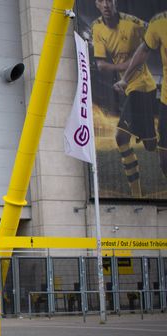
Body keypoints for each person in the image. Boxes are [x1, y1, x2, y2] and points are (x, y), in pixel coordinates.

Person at [91, 0, 158, 197]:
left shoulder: (133, 23)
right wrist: (127, 66)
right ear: (96, 4)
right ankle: (137, 194)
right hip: (129, 89)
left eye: (109, 0)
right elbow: (101, 65)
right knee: (150, 145)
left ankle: (136, 195)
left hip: (143, 87)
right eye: (101, 1)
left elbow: (154, 33)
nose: (106, 4)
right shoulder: (97, 28)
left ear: (116, 3)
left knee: (121, 138)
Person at [114, 10, 167, 178]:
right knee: (163, 160)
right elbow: (144, 50)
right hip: (166, 100)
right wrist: (125, 79)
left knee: (122, 137)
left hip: (146, 90)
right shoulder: (159, 22)